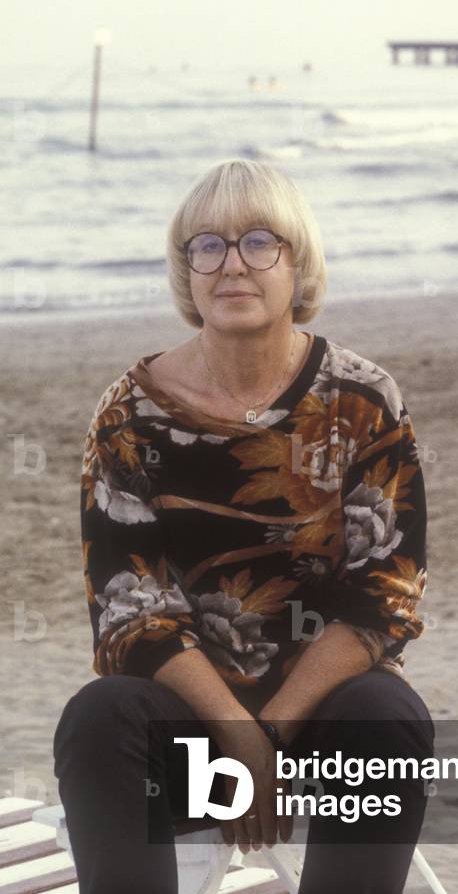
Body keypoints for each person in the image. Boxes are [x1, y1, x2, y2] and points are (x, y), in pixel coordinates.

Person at [53, 157, 434, 894]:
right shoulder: (129, 415)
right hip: (187, 729)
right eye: (208, 245)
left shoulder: (365, 402)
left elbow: (384, 596)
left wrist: (271, 734)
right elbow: (129, 609)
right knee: (99, 716)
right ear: (187, 270)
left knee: (388, 715)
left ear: (298, 264)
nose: (233, 264)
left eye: (261, 241)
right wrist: (232, 730)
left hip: (323, 725)